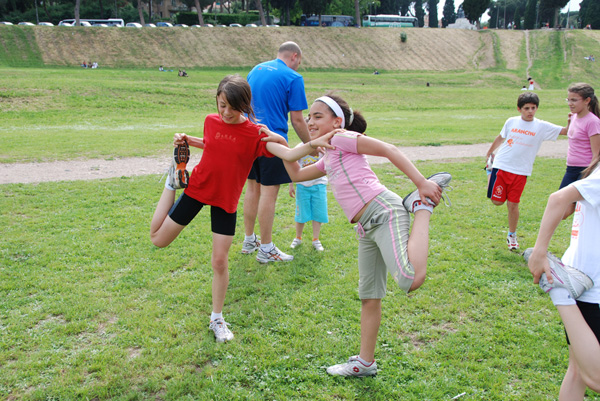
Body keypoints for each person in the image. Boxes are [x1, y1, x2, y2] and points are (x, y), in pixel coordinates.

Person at [149, 75, 335, 343]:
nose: (225, 113)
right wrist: (188, 139)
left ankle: (217, 318)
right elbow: (215, 143)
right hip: (198, 189)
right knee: (158, 239)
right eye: (221, 105)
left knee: (220, 261)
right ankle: (171, 182)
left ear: (245, 105)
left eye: (232, 108)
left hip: (225, 201)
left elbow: (289, 156)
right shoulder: (211, 121)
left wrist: (295, 142)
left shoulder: (255, 133)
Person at [281, 94, 452, 377]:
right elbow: (296, 174)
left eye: (318, 116)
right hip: (365, 227)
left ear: (337, 121)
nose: (310, 121)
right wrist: (285, 145)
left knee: (411, 279)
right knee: (369, 297)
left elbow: (388, 149)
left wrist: (421, 182)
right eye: (309, 117)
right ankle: (365, 363)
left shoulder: (341, 138)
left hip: (383, 211)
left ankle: (422, 207)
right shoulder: (329, 155)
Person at [525, 152, 600, 400]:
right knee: (594, 377)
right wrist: (539, 252)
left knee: (577, 371)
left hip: (583, 277)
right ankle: (559, 290)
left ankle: (560, 287)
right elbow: (559, 198)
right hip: (592, 286)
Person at [241, 41, 311, 263]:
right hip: (272, 140)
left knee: (252, 188)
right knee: (269, 193)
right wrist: (312, 145)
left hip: (249, 136)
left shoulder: (256, 69)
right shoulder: (293, 77)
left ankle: (249, 240)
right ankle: (266, 249)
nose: (299, 65)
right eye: (299, 61)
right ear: (294, 56)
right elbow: (298, 120)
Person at [485, 92, 568, 251]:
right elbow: (500, 137)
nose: (530, 111)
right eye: (526, 108)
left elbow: (565, 131)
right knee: (497, 202)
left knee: (513, 204)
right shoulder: (511, 121)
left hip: (521, 172)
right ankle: (490, 172)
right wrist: (489, 153)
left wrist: (573, 120)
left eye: (533, 108)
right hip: (502, 166)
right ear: (519, 109)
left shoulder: (542, 126)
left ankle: (512, 235)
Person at [288, 138, 328, 252]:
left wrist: (322, 151)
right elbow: (292, 164)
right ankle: (298, 238)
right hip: (302, 186)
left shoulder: (322, 146)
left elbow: (330, 161)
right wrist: (291, 185)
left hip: (319, 185)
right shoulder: (300, 147)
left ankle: (316, 239)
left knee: (318, 213)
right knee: (301, 213)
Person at [558, 83, 600, 191]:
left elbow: (597, 154)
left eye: (574, 100)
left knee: (568, 203)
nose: (570, 103)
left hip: (585, 169)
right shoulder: (573, 117)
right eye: (568, 100)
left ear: (587, 100)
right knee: (563, 202)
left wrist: (588, 175)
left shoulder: (592, 122)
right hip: (571, 169)